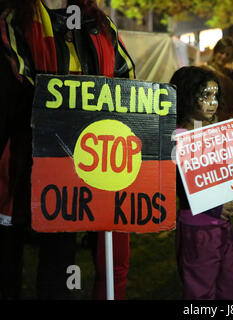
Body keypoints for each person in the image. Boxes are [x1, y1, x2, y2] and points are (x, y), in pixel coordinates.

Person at [0, 0, 135, 299]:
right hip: (25, 158)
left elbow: (126, 83)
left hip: (87, 162)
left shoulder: (101, 25)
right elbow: (18, 84)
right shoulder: (14, 19)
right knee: (8, 262)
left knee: (60, 260)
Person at [171, 66, 233, 300]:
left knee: (231, 285)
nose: (212, 103)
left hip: (229, 226)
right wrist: (214, 207)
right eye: (205, 96)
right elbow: (182, 185)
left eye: (215, 96)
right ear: (186, 96)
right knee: (201, 289)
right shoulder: (179, 137)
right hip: (199, 229)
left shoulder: (220, 131)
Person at [205, 37, 233, 122]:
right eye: (221, 52)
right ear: (215, 52)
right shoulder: (204, 72)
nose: (224, 56)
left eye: (227, 54)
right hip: (211, 122)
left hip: (231, 123)